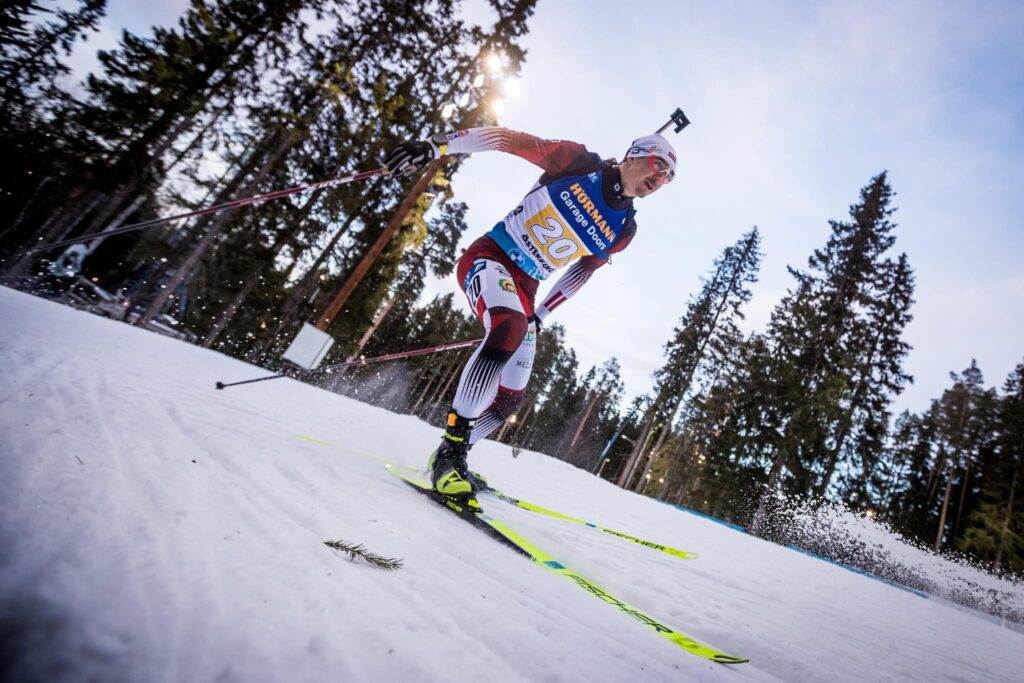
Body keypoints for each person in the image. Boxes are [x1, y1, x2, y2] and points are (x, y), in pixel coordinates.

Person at [384, 127, 677, 498]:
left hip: (527, 289)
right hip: (492, 257)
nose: (660, 178)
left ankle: (452, 451)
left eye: (667, 177)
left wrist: (541, 315)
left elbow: (581, 272)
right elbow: (505, 140)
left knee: (509, 399)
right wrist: (436, 146)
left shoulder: (624, 229)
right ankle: (451, 458)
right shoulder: (578, 162)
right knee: (508, 328)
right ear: (634, 154)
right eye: (658, 165)